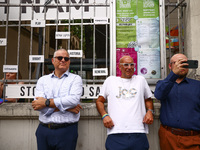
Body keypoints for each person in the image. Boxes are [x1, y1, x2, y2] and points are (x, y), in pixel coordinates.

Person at [96, 55, 154, 150]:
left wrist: (150, 111)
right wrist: (104, 115)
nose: (129, 67)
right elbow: (99, 101)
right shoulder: (110, 81)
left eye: (132, 65)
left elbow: (148, 99)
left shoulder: (141, 80)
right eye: (126, 65)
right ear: (119, 67)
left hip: (138, 131)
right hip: (116, 132)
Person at [32, 49, 83, 150]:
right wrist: (67, 108)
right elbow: (37, 105)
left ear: (69, 61)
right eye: (60, 58)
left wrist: (46, 102)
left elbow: (73, 101)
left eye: (66, 58)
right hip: (44, 130)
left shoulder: (76, 79)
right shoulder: (43, 80)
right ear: (53, 60)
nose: (63, 60)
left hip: (67, 131)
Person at [154, 53, 200, 150]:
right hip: (168, 137)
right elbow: (159, 95)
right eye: (178, 63)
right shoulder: (162, 84)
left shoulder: (197, 85)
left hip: (193, 139)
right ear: (170, 66)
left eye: (185, 63)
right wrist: (173, 75)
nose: (182, 66)